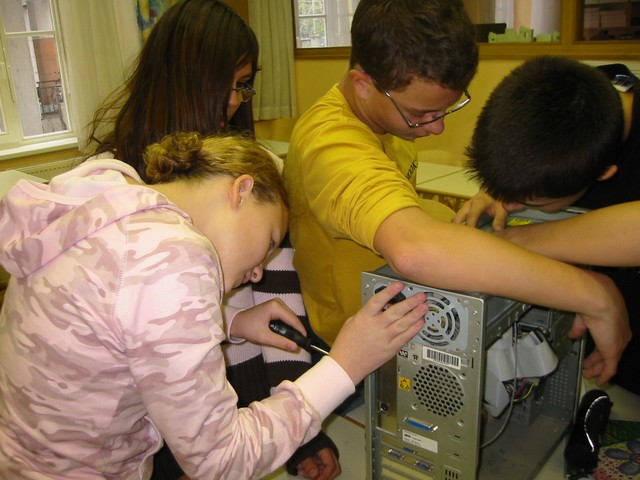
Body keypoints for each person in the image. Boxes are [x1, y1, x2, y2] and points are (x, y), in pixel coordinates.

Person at [0, 131, 429, 479]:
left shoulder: (108, 194)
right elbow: (222, 460)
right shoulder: (170, 256)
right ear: (242, 190)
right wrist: (345, 366)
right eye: (269, 242)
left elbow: (109, 315)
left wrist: (232, 321)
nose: (258, 273)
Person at [283, 0, 631, 386]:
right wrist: (592, 293)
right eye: (421, 114)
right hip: (357, 354)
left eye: (445, 110)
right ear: (363, 84)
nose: (436, 129)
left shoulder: (388, 119)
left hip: (403, 327)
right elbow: (413, 250)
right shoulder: (331, 144)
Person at [88, 1, 335, 477]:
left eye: (244, 84)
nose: (236, 100)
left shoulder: (259, 173)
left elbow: (281, 299)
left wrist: (304, 431)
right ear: (180, 78)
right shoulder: (116, 185)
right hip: (146, 422)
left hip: (240, 396)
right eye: (227, 83)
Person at [452, 55, 640, 395]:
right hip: (587, 349)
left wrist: (512, 241)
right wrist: (498, 188)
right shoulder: (562, 97)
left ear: (603, 174)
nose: (513, 207)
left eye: (534, 203)